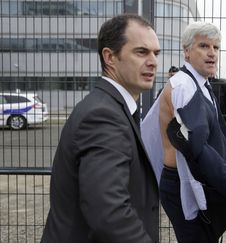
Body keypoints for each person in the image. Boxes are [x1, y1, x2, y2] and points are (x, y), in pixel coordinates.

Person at [41, 14, 160, 243]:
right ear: (110, 57)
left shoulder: (110, 107)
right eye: (141, 52)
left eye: (156, 53)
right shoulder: (103, 116)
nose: (153, 61)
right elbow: (109, 213)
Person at [142, 22, 226, 243]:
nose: (212, 53)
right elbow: (194, 144)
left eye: (216, 48)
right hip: (183, 182)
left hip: (194, 179)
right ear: (187, 52)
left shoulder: (200, 84)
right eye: (204, 46)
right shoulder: (184, 87)